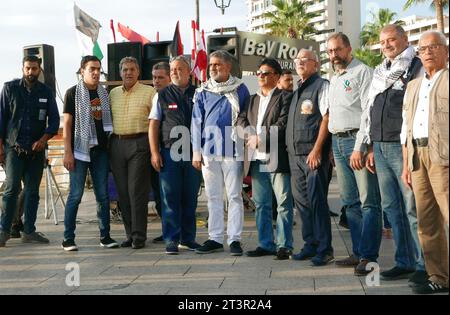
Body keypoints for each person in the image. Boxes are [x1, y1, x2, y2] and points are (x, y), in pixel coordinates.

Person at [365, 24, 426, 284]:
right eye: (383, 41)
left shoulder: (416, 64)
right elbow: (369, 109)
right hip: (378, 145)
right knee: (392, 209)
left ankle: (425, 264)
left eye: (392, 39)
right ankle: (405, 261)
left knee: (413, 207)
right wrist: (368, 146)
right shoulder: (380, 71)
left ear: (405, 39)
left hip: (403, 146)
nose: (387, 45)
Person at [326, 33, 382, 276]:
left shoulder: (363, 72)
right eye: (330, 51)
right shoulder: (334, 77)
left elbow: (367, 114)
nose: (334, 55)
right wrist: (331, 145)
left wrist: (361, 147)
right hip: (338, 143)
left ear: (349, 49)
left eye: (338, 50)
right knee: (350, 203)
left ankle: (369, 257)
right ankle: (358, 252)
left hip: (356, 141)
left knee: (368, 202)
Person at [401, 31, 449, 295]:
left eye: (434, 46)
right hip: (418, 156)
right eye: (423, 48)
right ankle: (439, 277)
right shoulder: (413, 86)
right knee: (427, 221)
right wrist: (406, 163)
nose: (428, 51)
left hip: (444, 156)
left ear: (446, 50)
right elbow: (406, 129)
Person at [192, 50, 250, 256]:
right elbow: (196, 122)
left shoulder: (240, 89)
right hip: (209, 151)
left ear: (228, 67)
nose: (213, 68)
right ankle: (215, 238)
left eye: (217, 65)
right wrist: (196, 152)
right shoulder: (202, 91)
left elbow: (246, 117)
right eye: (211, 65)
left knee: (234, 196)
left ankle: (234, 239)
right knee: (213, 197)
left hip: (233, 149)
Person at [237, 58, 294, 260]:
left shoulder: (286, 97)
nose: (260, 76)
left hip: (277, 157)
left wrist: (261, 138)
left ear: (276, 76)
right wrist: (249, 136)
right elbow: (241, 120)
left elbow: (283, 122)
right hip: (256, 158)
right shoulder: (251, 99)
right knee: (261, 204)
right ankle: (265, 243)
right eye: (258, 73)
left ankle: (284, 245)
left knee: (283, 203)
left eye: (265, 73)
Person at [0, 55, 60, 247]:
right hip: (13, 149)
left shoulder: (46, 92)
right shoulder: (9, 88)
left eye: (34, 69)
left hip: (36, 151)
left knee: (33, 192)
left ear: (39, 69)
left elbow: (55, 121)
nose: (30, 72)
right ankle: (4, 230)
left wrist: (44, 140)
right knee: (10, 190)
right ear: (22, 68)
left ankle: (29, 231)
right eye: (27, 68)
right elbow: (1, 118)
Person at [61, 55, 119, 251]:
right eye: (91, 69)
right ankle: (68, 238)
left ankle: (105, 236)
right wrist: (67, 152)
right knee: (75, 195)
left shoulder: (104, 93)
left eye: (98, 69)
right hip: (79, 150)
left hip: (101, 151)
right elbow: (67, 125)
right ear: (82, 71)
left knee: (103, 195)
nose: (96, 73)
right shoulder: (72, 93)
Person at [149, 56, 202, 255]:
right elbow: (153, 124)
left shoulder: (199, 93)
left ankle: (188, 239)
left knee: (190, 198)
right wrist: (155, 152)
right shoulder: (161, 95)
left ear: (189, 71)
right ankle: (171, 239)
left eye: (179, 69)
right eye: (172, 69)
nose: (175, 72)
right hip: (169, 153)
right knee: (170, 197)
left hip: (192, 153)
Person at [287, 49, 334, 266]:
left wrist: (317, 150)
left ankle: (325, 249)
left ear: (316, 64)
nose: (300, 63)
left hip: (313, 155)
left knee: (317, 202)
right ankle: (310, 244)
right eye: (297, 60)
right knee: (302, 204)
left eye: (305, 60)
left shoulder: (321, 86)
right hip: (295, 156)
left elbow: (326, 118)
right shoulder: (297, 89)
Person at [109, 56, 156, 249]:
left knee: (136, 191)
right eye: (125, 69)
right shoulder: (112, 94)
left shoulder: (150, 92)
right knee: (123, 193)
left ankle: (139, 236)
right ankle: (129, 234)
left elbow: (156, 122)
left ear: (138, 72)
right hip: (117, 144)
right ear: (120, 73)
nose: (128, 72)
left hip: (140, 144)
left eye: (132, 69)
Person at [150, 61, 171, 244]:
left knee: (171, 195)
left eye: (160, 77)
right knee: (159, 194)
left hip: (171, 151)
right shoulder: (154, 96)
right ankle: (167, 230)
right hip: (153, 151)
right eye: (154, 77)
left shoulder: (175, 96)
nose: (156, 81)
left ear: (170, 77)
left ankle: (174, 230)